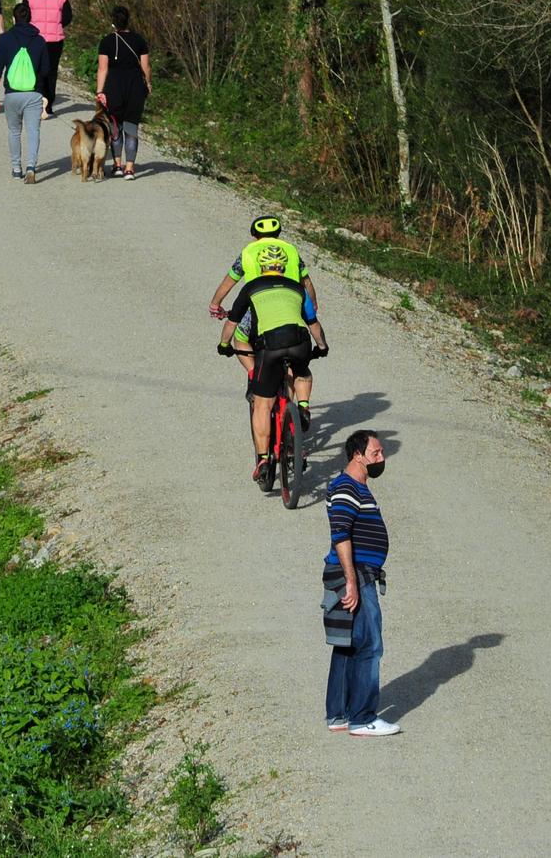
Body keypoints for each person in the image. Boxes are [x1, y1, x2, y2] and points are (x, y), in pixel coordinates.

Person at [217, 245, 327, 491]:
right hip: (299, 341)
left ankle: (264, 460)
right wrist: (322, 347)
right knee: (302, 371)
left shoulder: (251, 288)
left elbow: (232, 324)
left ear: (262, 267)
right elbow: (314, 324)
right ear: (284, 266)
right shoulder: (297, 288)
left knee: (263, 404)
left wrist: (224, 345)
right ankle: (303, 407)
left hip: (270, 346)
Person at [322, 431, 396, 735]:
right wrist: (351, 581)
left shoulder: (358, 487)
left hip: (358, 573)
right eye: (376, 452)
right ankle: (363, 718)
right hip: (356, 574)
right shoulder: (346, 487)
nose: (382, 458)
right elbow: (340, 535)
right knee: (370, 645)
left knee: (348, 644)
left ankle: (338, 715)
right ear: (358, 455)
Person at [0, 1, 50, 183]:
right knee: (33, 131)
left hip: (12, 93)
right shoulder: (39, 40)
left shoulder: (4, 39)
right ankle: (31, 165)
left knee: (14, 131)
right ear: (30, 19)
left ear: (14, 19)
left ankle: (17, 168)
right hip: (33, 93)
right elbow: (46, 69)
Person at [94, 6, 149, 177]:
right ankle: (130, 168)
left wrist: (100, 91)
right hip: (135, 87)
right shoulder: (139, 40)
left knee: (115, 128)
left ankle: (117, 165)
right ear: (128, 19)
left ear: (113, 21)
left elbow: (102, 69)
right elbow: (145, 66)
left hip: (113, 88)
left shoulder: (107, 41)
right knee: (131, 127)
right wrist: (148, 83)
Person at [23, 0, 71, 119]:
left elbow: (25, 15)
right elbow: (67, 17)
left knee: (35, 71)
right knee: (51, 72)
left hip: (35, 38)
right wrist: (56, 24)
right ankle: (48, 105)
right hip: (55, 39)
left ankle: (37, 102)